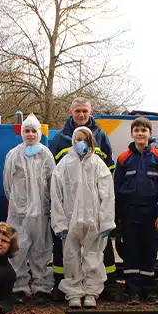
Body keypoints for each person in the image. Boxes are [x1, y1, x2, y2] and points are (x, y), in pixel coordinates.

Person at [49, 97, 119, 299]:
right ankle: (63, 288)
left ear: (90, 113)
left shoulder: (101, 137)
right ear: (71, 112)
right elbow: (55, 183)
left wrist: (105, 216)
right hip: (70, 211)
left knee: (98, 253)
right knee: (66, 253)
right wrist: (59, 217)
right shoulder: (60, 139)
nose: (81, 114)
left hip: (93, 211)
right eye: (77, 111)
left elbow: (108, 177)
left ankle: (105, 287)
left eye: (85, 111)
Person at [113, 117, 158, 304]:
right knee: (131, 251)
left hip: (150, 213)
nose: (140, 133)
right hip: (129, 212)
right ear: (132, 134)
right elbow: (115, 189)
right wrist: (116, 215)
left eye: (144, 130)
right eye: (136, 130)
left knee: (148, 251)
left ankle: (148, 290)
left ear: (150, 134)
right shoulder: (123, 159)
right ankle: (133, 291)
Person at [3, 115, 55, 302]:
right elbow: (8, 183)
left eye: (34, 131)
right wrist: (17, 203)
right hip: (19, 212)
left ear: (39, 133)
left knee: (41, 249)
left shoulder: (46, 154)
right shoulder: (13, 155)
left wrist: (48, 205)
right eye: (27, 131)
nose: (30, 134)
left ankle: (42, 286)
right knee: (18, 248)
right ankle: (19, 286)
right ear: (22, 132)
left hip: (41, 211)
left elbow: (52, 183)